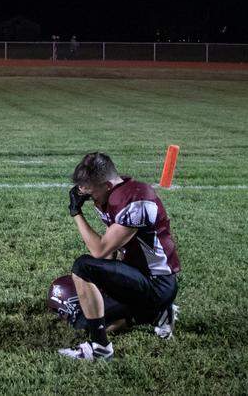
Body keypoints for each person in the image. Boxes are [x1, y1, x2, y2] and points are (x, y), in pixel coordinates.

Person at [56, 151, 181, 361]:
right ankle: (155, 314)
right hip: (135, 277)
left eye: (91, 193)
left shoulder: (136, 198)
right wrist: (105, 283)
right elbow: (111, 252)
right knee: (82, 321)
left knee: (82, 266)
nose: (90, 199)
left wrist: (76, 213)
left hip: (156, 283)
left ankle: (100, 347)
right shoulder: (112, 194)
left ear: (106, 185)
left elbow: (100, 250)